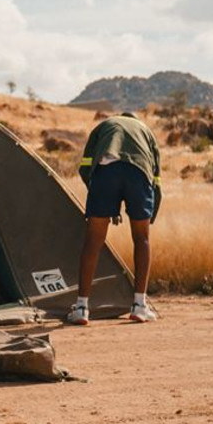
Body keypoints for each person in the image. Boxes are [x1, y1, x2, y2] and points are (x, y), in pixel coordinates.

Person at [68, 110, 160, 325]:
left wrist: (101, 199)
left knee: (93, 240)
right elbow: (156, 181)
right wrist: (150, 215)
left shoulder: (104, 125)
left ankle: (82, 308)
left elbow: (85, 168)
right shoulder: (146, 131)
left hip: (105, 172)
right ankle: (139, 306)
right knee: (142, 239)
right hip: (139, 173)